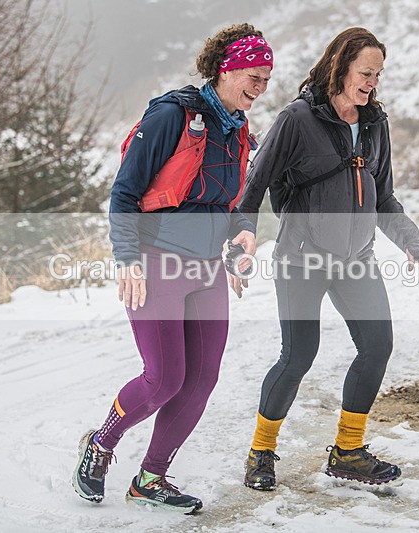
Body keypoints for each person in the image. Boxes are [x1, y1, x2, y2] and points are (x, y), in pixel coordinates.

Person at [73, 24, 272, 513]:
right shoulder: (171, 116)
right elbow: (123, 192)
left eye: (266, 78)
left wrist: (244, 232)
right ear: (225, 69)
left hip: (208, 270)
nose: (260, 87)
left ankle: (150, 478)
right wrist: (126, 260)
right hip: (156, 261)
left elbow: (236, 201)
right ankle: (100, 444)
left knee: (202, 378)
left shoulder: (239, 129)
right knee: (163, 379)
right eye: (253, 75)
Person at [234, 27, 419, 490]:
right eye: (365, 72)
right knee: (299, 355)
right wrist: (240, 235)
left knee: (377, 346)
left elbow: (384, 197)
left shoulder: (376, 124)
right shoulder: (297, 119)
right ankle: (260, 452)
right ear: (340, 67)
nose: (372, 83)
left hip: (357, 258)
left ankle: (348, 451)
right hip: (302, 257)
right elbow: (254, 185)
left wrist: (412, 242)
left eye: (378, 74)